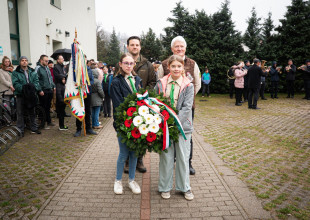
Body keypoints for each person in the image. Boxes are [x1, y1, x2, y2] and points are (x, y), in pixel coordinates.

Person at [158, 36, 201, 175]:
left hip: (187, 108)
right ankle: (170, 162)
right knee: (168, 133)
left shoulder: (193, 64)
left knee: (186, 134)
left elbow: (197, 84)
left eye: (182, 46)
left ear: (185, 48)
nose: (179, 49)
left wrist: (186, 99)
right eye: (177, 46)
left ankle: (187, 163)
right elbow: (158, 83)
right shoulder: (163, 64)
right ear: (172, 49)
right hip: (167, 109)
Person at [155, 55, 194, 201]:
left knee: (183, 158)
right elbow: (156, 103)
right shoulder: (161, 83)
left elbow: (187, 107)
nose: (176, 69)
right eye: (173, 66)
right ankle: (165, 187)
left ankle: (184, 187)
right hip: (164, 127)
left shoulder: (188, 85)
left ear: (182, 67)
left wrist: (174, 122)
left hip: (183, 127)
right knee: (166, 157)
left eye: (179, 66)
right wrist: (163, 122)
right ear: (168, 67)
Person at [120, 36, 157, 174]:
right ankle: (128, 161)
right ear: (128, 47)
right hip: (126, 105)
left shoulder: (147, 64)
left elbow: (153, 82)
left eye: (137, 45)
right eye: (132, 45)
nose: (135, 47)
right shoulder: (123, 61)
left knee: (142, 132)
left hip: (143, 104)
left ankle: (139, 160)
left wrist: (145, 94)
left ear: (140, 47)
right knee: (128, 133)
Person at [110, 53, 142, 195]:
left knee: (134, 153)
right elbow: (118, 105)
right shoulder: (116, 82)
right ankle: (118, 181)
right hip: (123, 123)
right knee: (124, 153)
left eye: (131, 63)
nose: (129, 66)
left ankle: (131, 180)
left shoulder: (137, 80)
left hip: (138, 123)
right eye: (126, 63)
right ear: (120, 64)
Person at [11, 56, 41, 135]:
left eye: (26, 60)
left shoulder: (32, 71)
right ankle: (20, 130)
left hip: (31, 95)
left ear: (27, 62)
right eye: (22, 60)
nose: (24, 62)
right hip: (21, 95)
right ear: (20, 62)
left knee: (32, 112)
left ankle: (34, 128)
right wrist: (25, 90)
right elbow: (15, 84)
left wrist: (32, 89)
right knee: (20, 113)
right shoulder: (15, 72)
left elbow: (37, 82)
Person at [74, 55, 97, 137]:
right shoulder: (76, 69)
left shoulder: (88, 69)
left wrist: (86, 84)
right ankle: (78, 129)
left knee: (88, 111)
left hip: (87, 93)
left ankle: (89, 128)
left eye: (85, 59)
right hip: (79, 93)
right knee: (79, 110)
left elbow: (91, 80)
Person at [36, 55, 56, 129]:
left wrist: (53, 86)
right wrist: (39, 90)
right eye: (46, 61)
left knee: (48, 107)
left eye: (48, 61)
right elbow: (36, 80)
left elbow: (50, 78)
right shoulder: (38, 69)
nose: (47, 62)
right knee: (43, 107)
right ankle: (42, 123)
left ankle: (49, 121)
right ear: (41, 60)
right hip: (43, 91)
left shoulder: (47, 68)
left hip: (49, 89)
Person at [91, 64, 104, 129]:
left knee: (93, 112)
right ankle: (96, 124)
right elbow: (100, 90)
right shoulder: (97, 81)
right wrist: (103, 96)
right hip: (97, 98)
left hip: (91, 97)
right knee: (96, 112)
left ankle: (93, 123)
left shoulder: (89, 81)